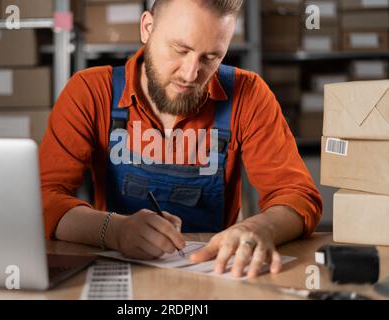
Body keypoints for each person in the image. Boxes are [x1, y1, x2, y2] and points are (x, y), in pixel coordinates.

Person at [39, 0, 322, 278]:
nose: (190, 74)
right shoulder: (90, 91)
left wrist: (259, 228)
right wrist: (113, 230)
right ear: (147, 28)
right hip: (118, 270)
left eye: (211, 57)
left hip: (210, 273)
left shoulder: (249, 95)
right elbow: (44, 196)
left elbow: (297, 196)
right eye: (180, 49)